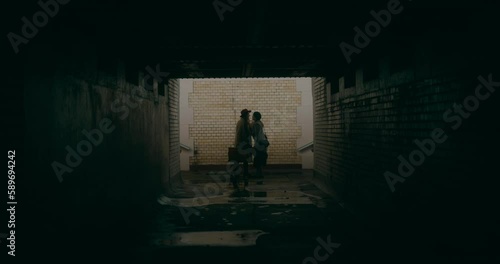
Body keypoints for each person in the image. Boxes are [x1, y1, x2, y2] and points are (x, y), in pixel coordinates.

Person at [234, 109, 252, 188]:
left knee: (242, 160)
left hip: (241, 145)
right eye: (248, 114)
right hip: (242, 145)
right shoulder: (243, 123)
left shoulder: (242, 122)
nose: (249, 116)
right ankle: (243, 174)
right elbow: (244, 134)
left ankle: (242, 173)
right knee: (243, 160)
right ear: (245, 115)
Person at [251, 111, 269, 185]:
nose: (252, 117)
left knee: (258, 159)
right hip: (263, 143)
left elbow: (255, 134)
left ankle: (258, 174)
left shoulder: (256, 124)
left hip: (259, 144)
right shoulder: (261, 123)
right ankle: (261, 173)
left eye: (253, 116)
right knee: (261, 158)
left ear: (255, 117)